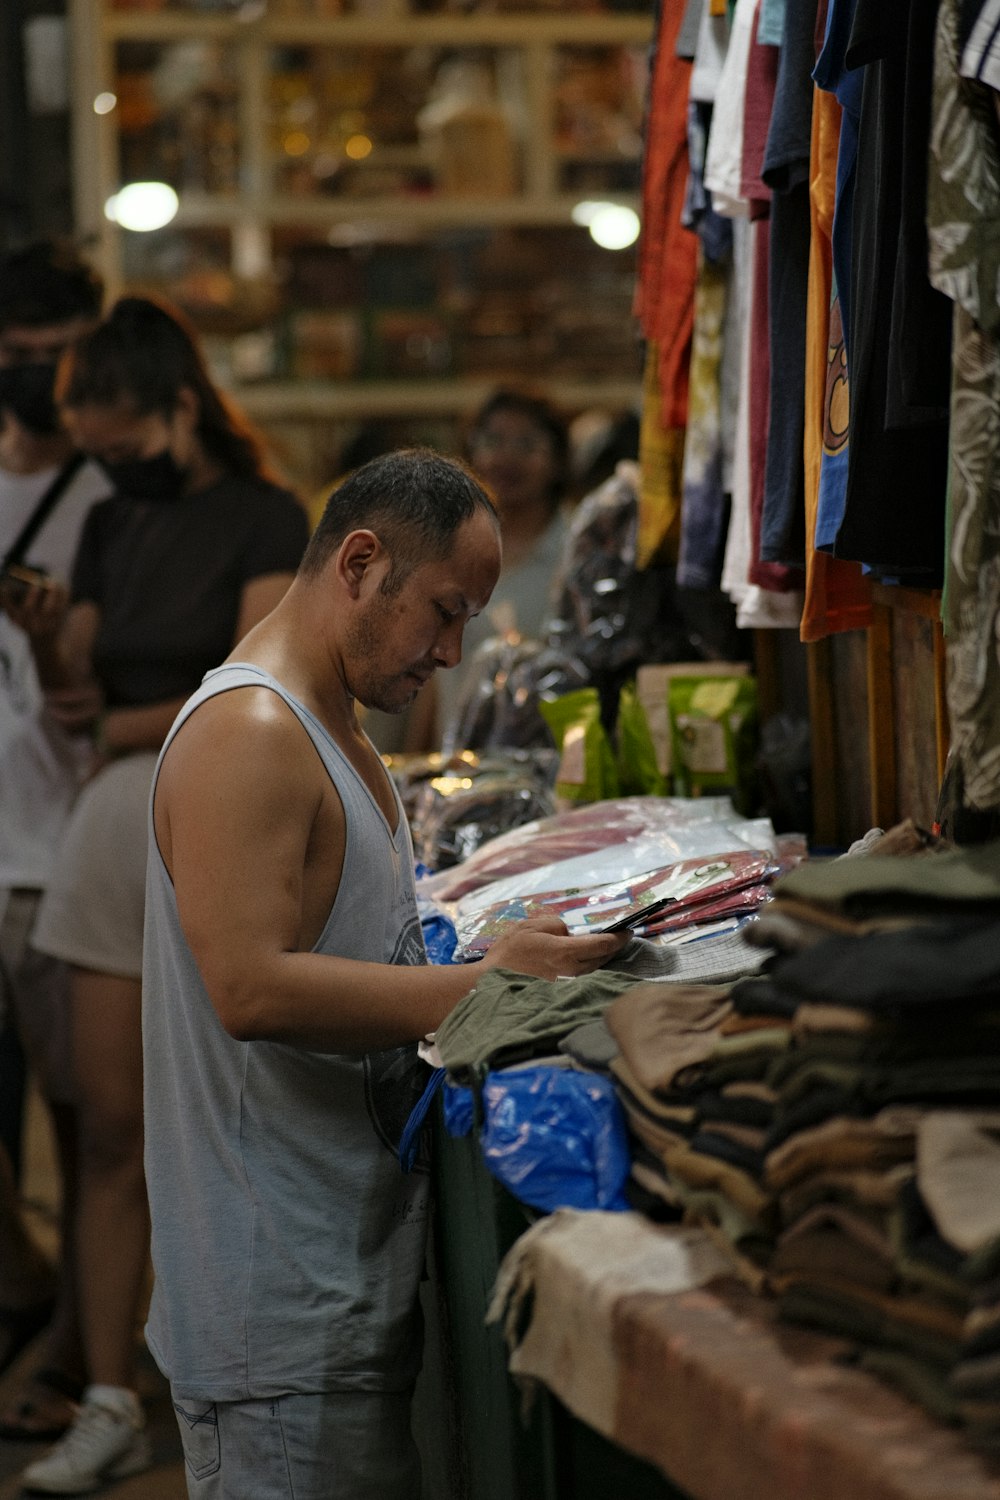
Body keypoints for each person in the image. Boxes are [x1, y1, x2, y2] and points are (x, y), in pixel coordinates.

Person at [139, 448, 627, 1500]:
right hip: (274, 1313)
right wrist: (494, 983)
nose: (451, 652)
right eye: (443, 613)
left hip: (329, 1288)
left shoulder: (331, 726)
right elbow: (250, 989)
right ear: (360, 562)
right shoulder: (252, 733)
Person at [4, 296, 309, 1495]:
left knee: (236, 1111)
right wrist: (39, 648)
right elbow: (73, 700)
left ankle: (241, 1368)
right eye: (95, 449)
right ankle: (112, 1392)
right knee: (106, 1125)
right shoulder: (108, 524)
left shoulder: (263, 515)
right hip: (105, 817)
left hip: (207, 803)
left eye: (126, 443)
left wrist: (119, 717)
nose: (112, 469)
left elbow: (243, 683)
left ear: (183, 408)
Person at [0, 240, 108, 1442]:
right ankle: (27, 1301)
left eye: (52, 357)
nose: (33, 378)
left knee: (88, 1124)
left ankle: (79, 1348)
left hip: (62, 852)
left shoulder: (113, 495)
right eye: (14, 359)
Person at [434, 387, 572, 748]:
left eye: (526, 445)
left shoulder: (575, 554)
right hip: (455, 768)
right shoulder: (444, 548)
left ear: (557, 461)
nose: (506, 458)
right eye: (493, 441)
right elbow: (434, 681)